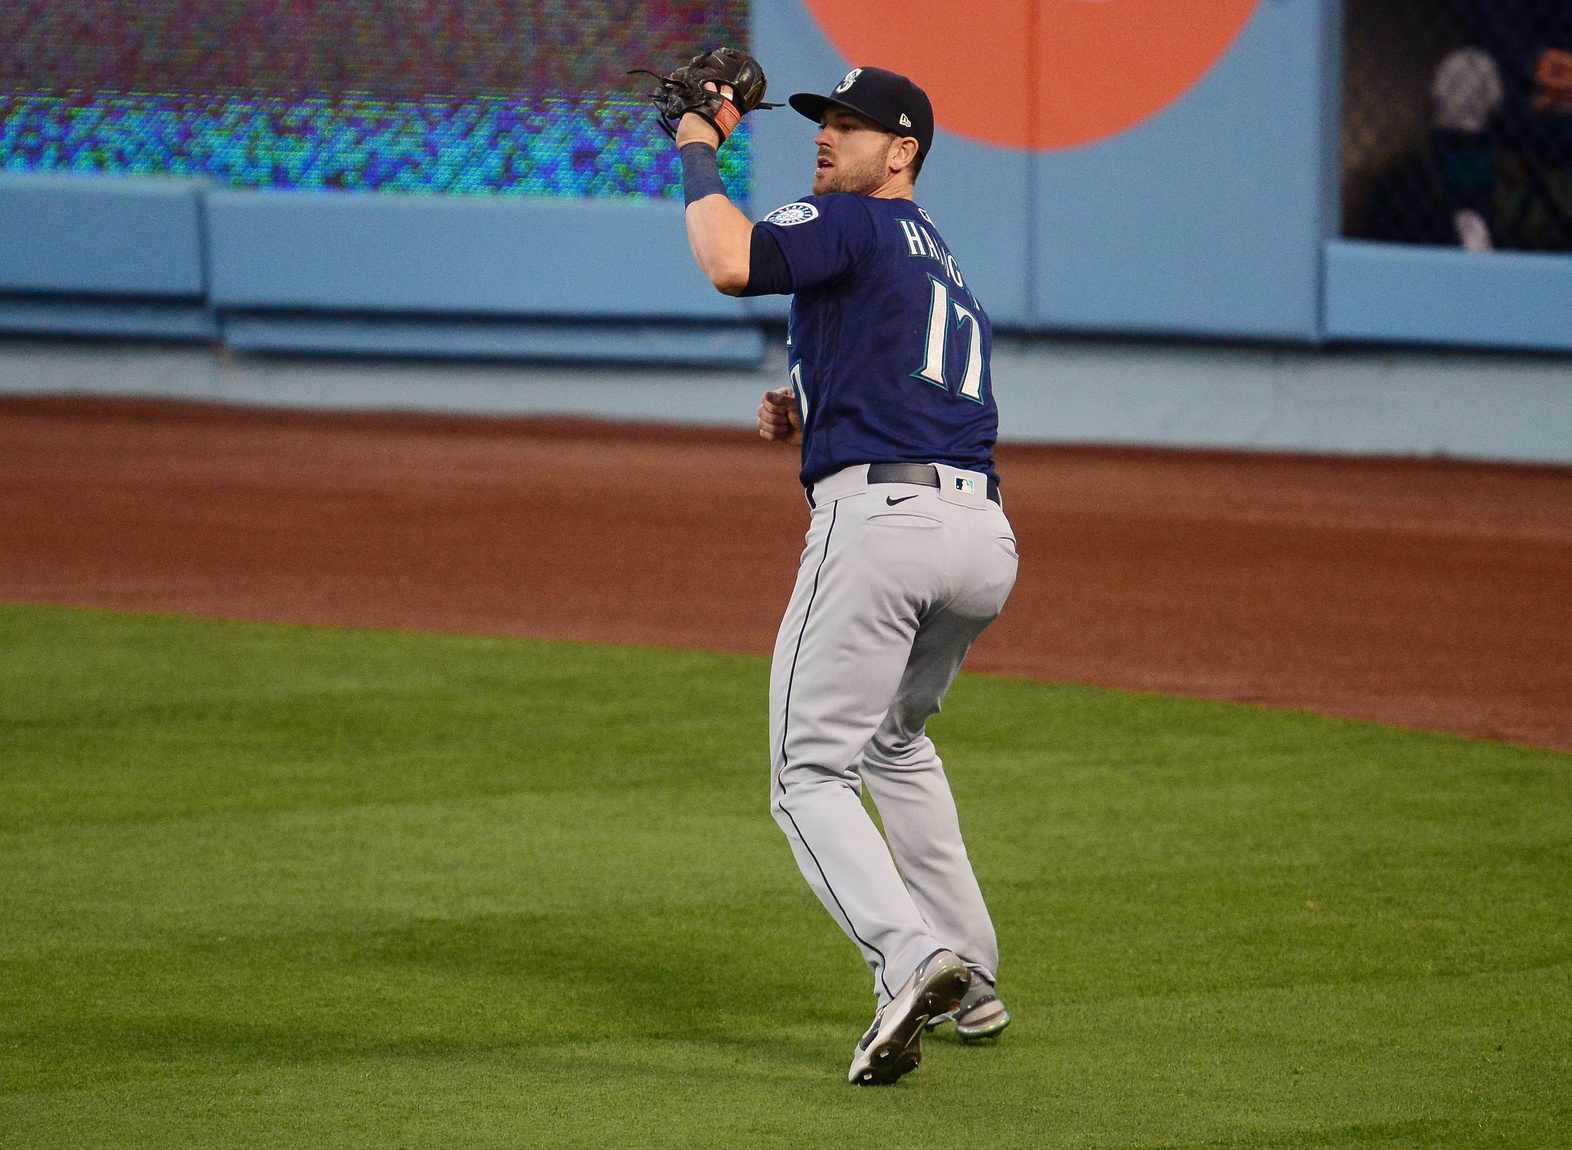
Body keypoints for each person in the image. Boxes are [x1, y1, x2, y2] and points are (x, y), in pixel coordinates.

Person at [673, 65, 1019, 1086]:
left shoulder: (855, 222)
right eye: (825, 121)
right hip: (982, 537)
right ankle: (978, 976)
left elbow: (730, 260)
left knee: (804, 774)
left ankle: (909, 958)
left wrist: (697, 139)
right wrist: (808, 407)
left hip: (883, 528)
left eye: (855, 126)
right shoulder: (938, 258)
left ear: (901, 152)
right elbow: (906, 377)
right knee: (894, 740)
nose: (829, 137)